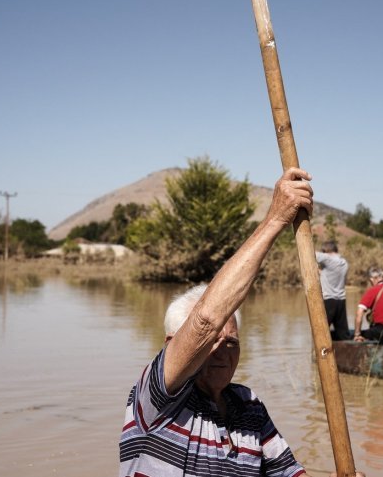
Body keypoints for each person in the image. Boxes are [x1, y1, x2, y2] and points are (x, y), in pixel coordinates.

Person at [120, 168, 364, 477]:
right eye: (211, 343)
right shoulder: (156, 396)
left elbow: (288, 473)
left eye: (232, 343)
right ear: (173, 347)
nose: (223, 351)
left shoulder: (249, 406)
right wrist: (276, 219)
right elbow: (206, 320)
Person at [316, 240, 350, 341]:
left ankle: (321, 355)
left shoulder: (327, 258)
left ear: (325, 251)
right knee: (342, 333)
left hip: (329, 300)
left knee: (321, 332)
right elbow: (330, 274)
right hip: (341, 300)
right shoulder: (344, 262)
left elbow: (309, 253)